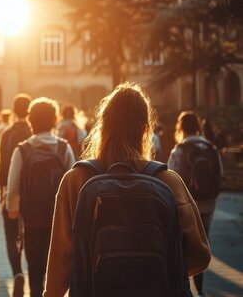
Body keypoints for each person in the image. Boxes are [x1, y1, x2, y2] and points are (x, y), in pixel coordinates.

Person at [44, 82, 211, 297]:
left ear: (103, 127)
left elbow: (59, 263)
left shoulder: (75, 181)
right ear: (145, 128)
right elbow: (200, 256)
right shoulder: (169, 182)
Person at [7, 97, 75, 297]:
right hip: (59, 220)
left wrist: (13, 210)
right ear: (55, 120)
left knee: (35, 269)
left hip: (32, 219)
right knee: (57, 269)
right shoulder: (64, 148)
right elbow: (72, 182)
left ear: (30, 121)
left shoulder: (22, 150)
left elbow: (13, 187)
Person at [168, 111, 223, 297]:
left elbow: (170, 178)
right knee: (202, 240)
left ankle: (186, 286)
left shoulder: (180, 149)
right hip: (208, 202)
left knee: (182, 244)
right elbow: (220, 173)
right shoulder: (210, 147)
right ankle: (200, 288)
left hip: (185, 203)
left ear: (180, 127)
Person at [0, 93, 32, 297]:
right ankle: (32, 272)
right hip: (33, 193)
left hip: (12, 190)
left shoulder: (7, 134)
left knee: (11, 236)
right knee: (31, 235)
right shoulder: (34, 130)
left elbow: (3, 166)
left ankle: (17, 272)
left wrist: (3, 190)